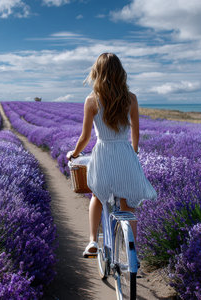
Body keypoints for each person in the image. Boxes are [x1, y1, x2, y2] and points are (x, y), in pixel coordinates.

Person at [67, 53, 157, 257]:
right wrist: (133, 152)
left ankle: (92, 241)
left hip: (103, 153)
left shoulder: (92, 100)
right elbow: (136, 132)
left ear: (97, 73)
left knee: (97, 196)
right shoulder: (131, 99)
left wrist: (74, 153)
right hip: (124, 153)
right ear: (120, 73)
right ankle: (131, 250)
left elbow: (85, 136)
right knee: (128, 206)